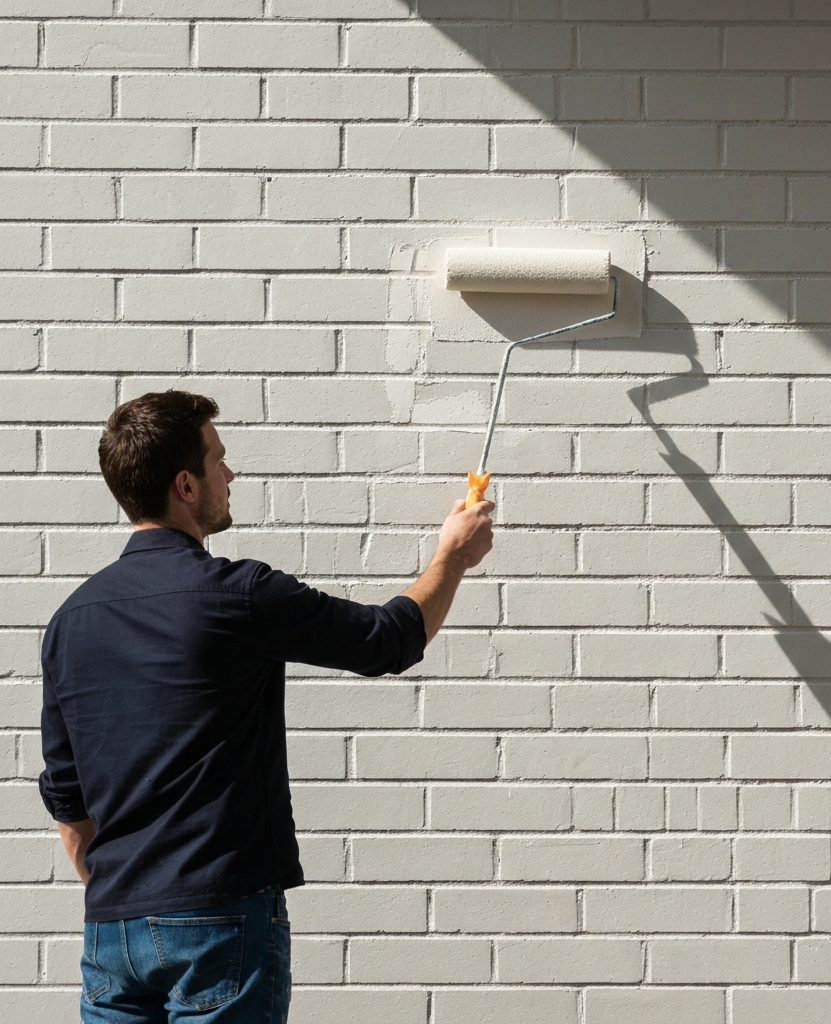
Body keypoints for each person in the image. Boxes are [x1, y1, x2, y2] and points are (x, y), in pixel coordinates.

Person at [38, 390, 493, 1023]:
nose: (231, 474)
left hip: (113, 932)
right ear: (185, 486)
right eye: (218, 460)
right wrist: (453, 556)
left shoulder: (69, 624)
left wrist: (128, 902)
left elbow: (68, 807)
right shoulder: (236, 594)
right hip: (218, 919)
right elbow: (386, 640)